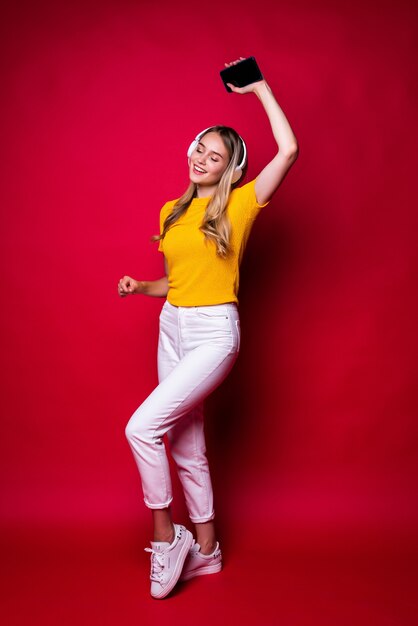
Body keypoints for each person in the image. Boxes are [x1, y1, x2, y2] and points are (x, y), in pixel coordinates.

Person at [118, 57, 298, 599]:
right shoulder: (170, 212)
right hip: (171, 325)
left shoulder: (240, 207)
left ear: (229, 169)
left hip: (214, 333)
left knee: (141, 427)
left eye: (215, 155)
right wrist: (140, 288)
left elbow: (288, 150)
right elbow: (178, 283)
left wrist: (261, 89)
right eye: (199, 147)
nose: (202, 157)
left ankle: (164, 536)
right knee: (186, 445)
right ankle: (209, 550)